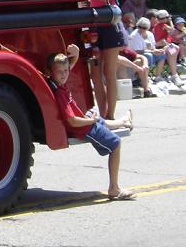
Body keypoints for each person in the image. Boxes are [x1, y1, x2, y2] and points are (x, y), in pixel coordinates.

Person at [48, 45, 136, 201]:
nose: (64, 75)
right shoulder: (60, 94)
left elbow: (68, 66)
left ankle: (123, 121)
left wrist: (76, 54)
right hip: (83, 129)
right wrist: (91, 120)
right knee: (115, 144)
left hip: (85, 122)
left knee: (99, 119)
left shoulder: (56, 83)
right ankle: (114, 188)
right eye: (59, 72)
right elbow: (73, 121)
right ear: (51, 72)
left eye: (66, 71)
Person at [86, 0, 124, 119]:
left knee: (110, 72)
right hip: (91, 23)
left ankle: (111, 115)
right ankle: (102, 115)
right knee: (95, 74)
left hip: (109, 21)